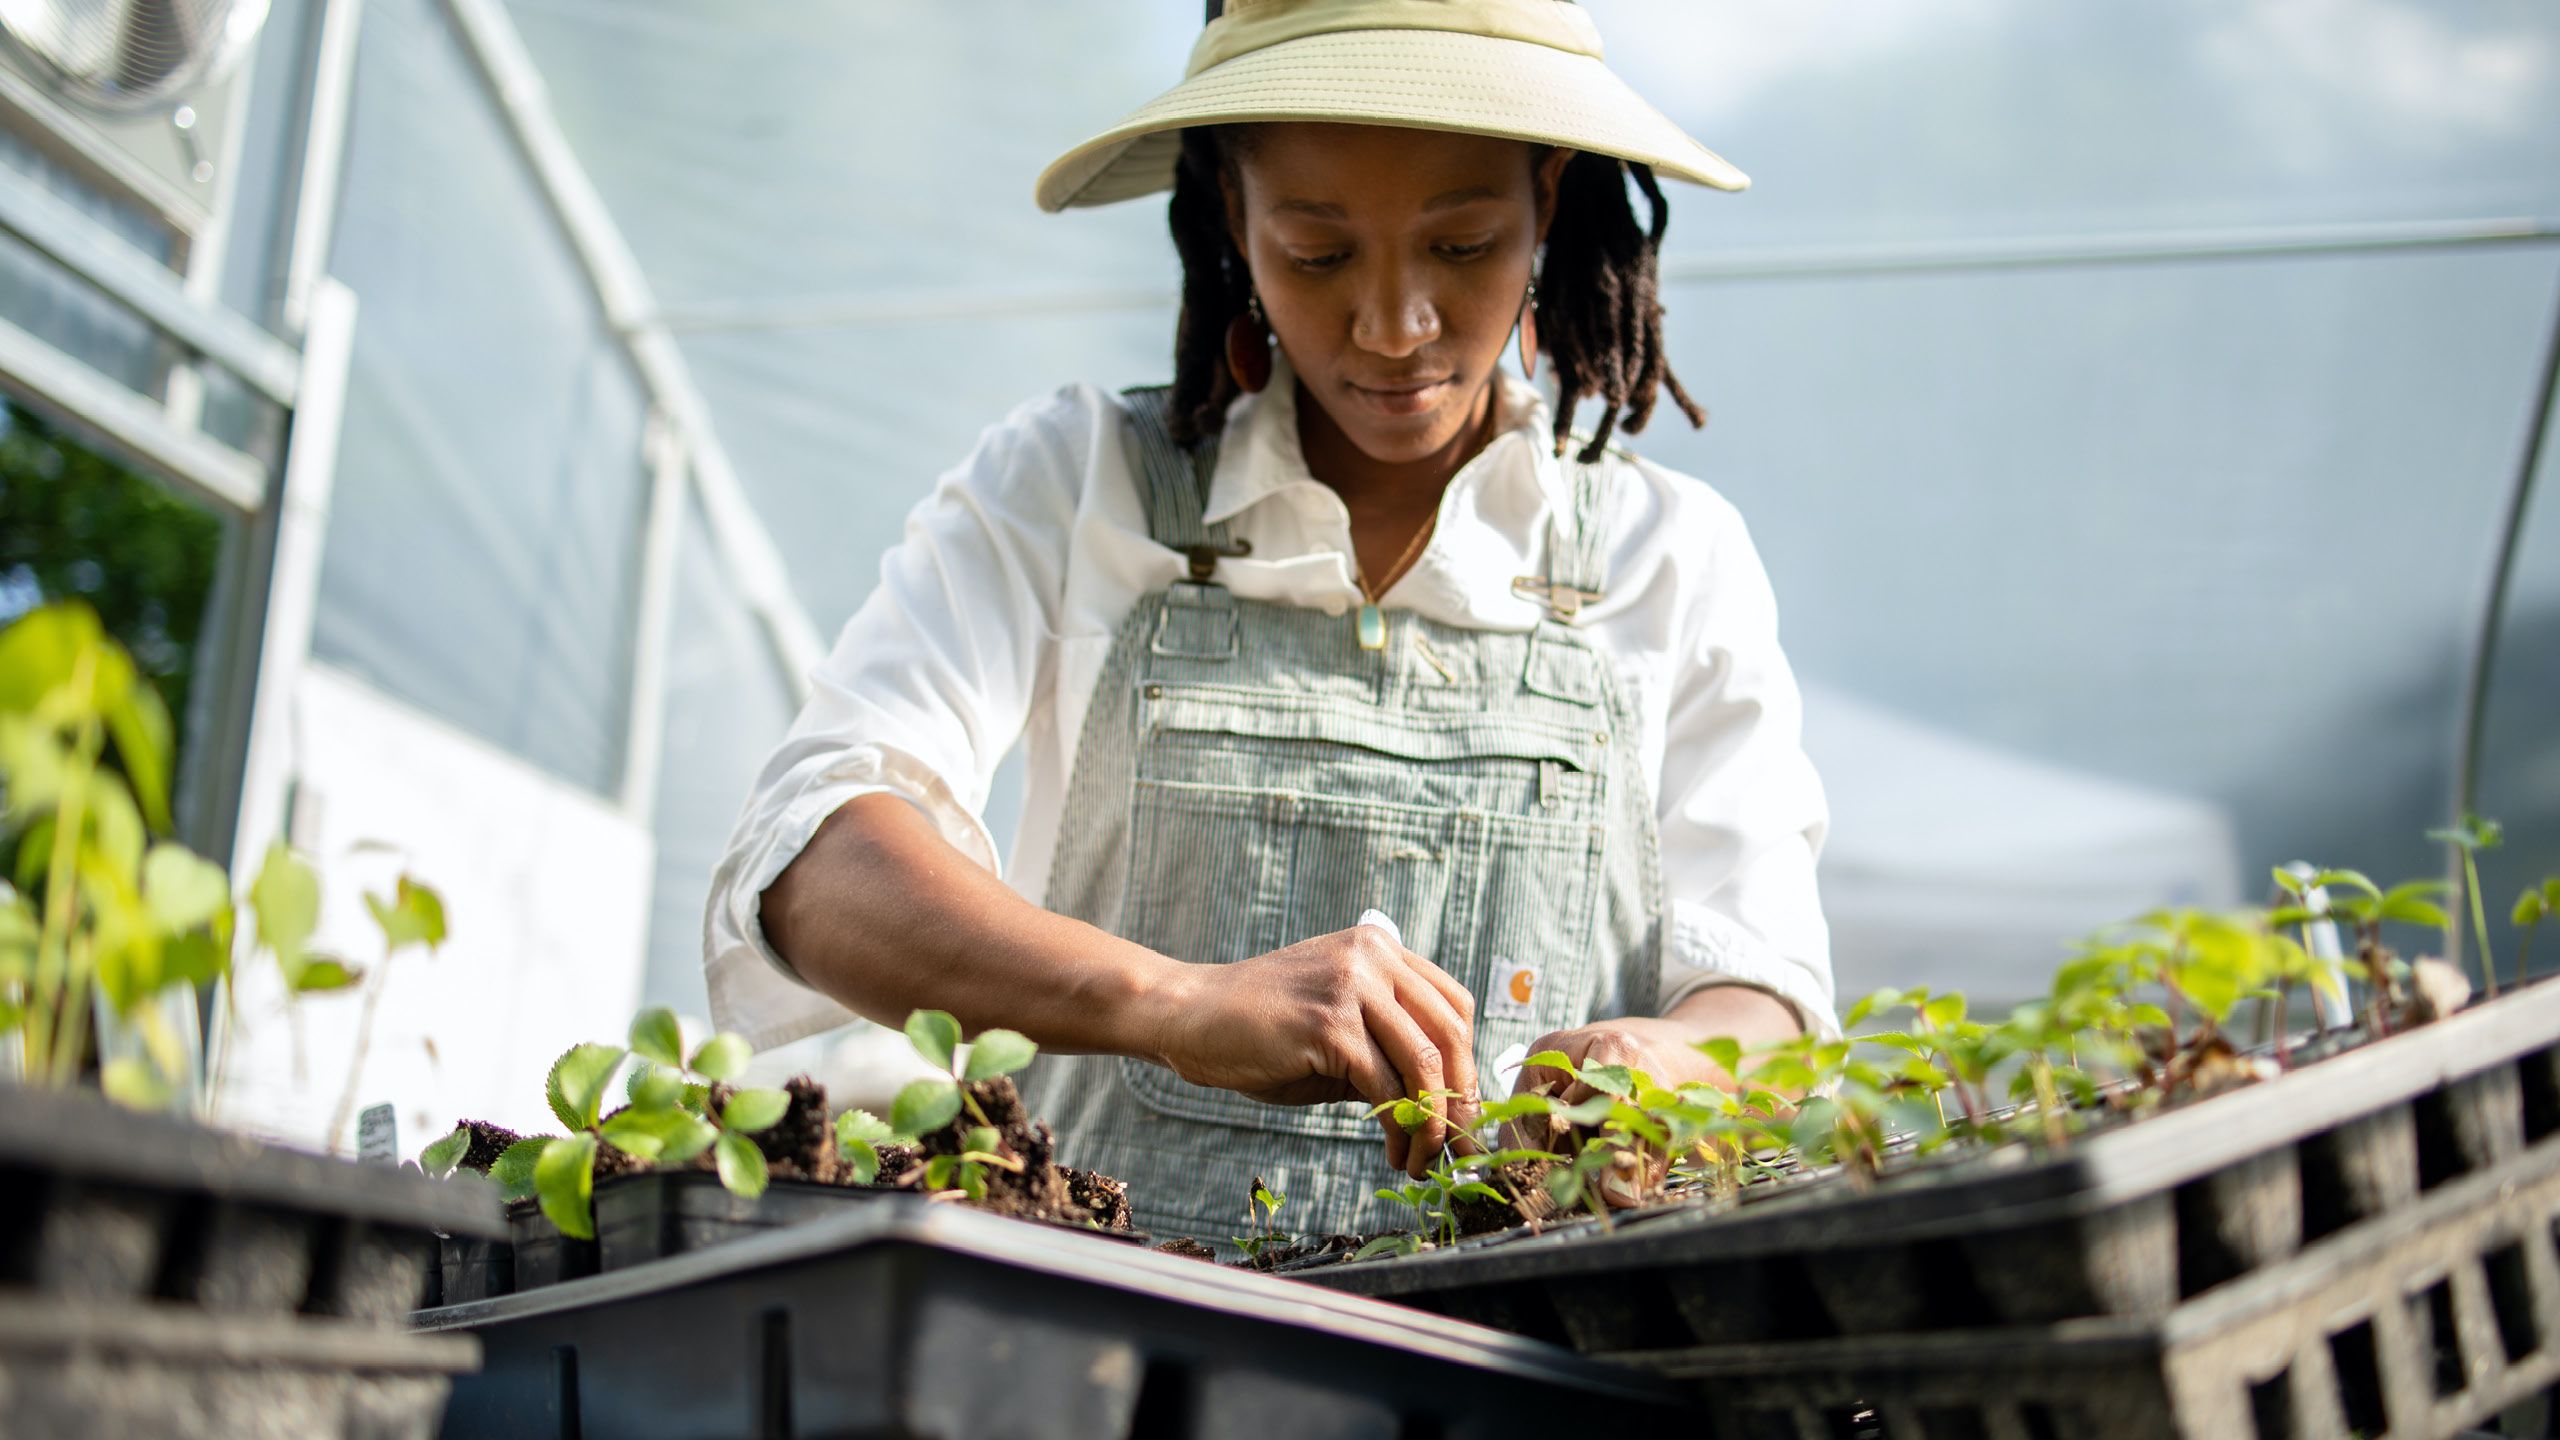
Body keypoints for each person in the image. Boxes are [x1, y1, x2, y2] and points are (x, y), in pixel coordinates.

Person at [704, 0, 1835, 1242]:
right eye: (1316, 252)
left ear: (1549, 203)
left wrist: (1658, 1065)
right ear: (1228, 214)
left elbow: (1763, 1002)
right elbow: (814, 865)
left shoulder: (1666, 557)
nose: (1395, 326)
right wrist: (1172, 1001)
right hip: (1095, 1350)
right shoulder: (1076, 486)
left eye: (1462, 246)